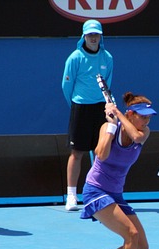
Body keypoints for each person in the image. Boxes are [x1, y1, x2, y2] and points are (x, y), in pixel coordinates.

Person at [77, 92, 159, 249]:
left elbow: (137, 137)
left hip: (115, 194)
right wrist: (111, 126)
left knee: (141, 246)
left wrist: (117, 115)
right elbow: (101, 154)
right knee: (131, 234)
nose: (146, 121)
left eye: (148, 117)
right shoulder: (108, 128)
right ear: (131, 114)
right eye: (143, 117)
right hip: (96, 191)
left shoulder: (144, 132)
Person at [62, 19, 114, 211]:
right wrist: (76, 105)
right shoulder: (75, 58)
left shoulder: (107, 57)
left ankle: (99, 192)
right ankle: (72, 196)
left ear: (101, 37)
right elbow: (66, 86)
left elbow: (107, 85)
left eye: (96, 35)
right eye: (90, 35)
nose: (93, 38)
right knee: (77, 153)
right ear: (84, 37)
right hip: (80, 108)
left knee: (102, 153)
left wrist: (109, 105)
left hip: (100, 108)